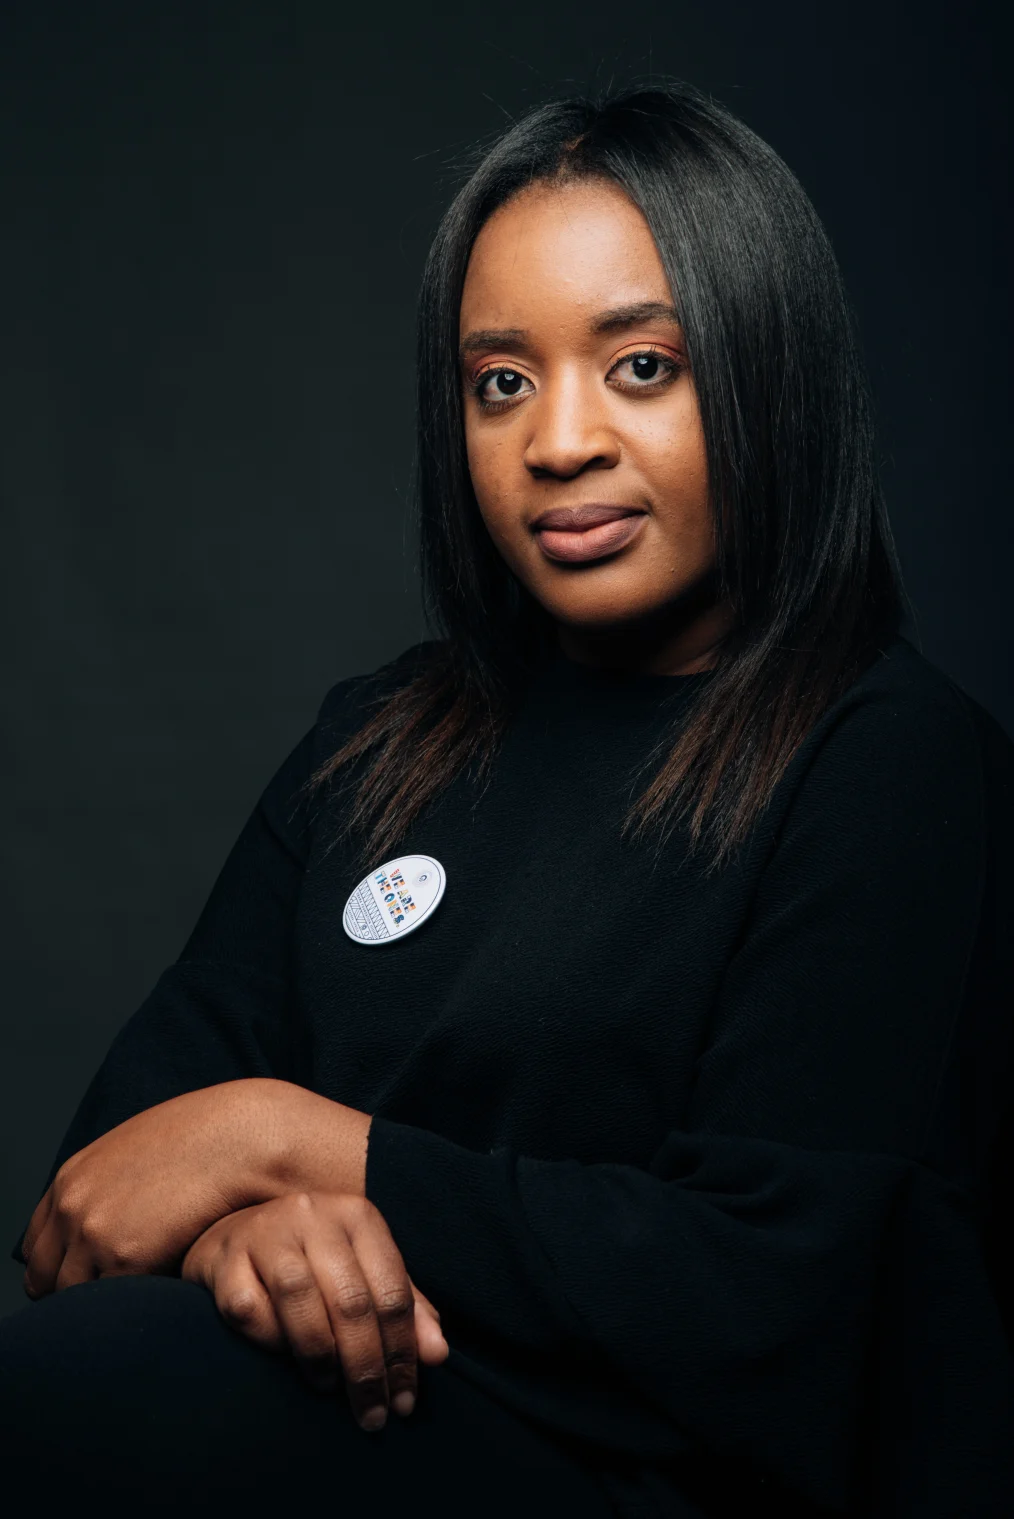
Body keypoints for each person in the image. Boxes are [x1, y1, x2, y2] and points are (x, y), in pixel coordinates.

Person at [2, 81, 1011, 1519]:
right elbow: (106, 1191)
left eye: (641, 366)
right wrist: (261, 1242)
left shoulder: (888, 761)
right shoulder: (378, 743)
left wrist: (304, 1147)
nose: (557, 443)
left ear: (769, 369)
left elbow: (773, 1301)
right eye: (501, 380)